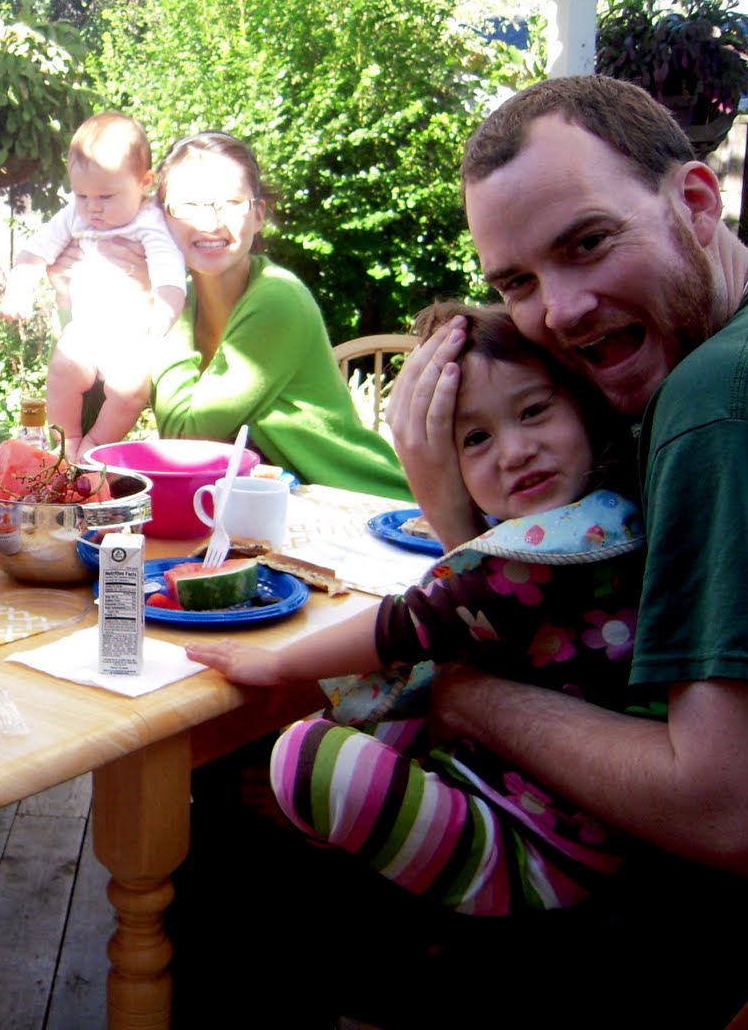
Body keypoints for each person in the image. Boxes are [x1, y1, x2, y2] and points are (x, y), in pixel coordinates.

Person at [380, 74, 748, 1024]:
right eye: (516, 283)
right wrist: (459, 522)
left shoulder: (718, 409)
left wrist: (465, 694)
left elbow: (740, 815)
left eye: (588, 242)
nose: (558, 313)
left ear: (696, 201)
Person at [188, 300, 643, 916]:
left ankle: (328, 829)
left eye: (534, 411)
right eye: (476, 438)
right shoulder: (609, 512)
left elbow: (407, 622)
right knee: (385, 698)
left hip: (531, 849)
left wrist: (276, 664)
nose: (515, 451)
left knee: (303, 756)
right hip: (548, 806)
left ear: (585, 404)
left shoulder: (540, 556)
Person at [146, 131, 410, 497]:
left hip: (365, 505)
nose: (209, 221)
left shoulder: (277, 298)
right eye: (187, 205)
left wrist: (167, 310)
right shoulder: (186, 300)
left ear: (258, 215)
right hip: (283, 507)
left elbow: (184, 442)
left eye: (231, 202)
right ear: (160, 219)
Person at [0, 111, 187, 458]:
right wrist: (19, 287)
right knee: (61, 374)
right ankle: (66, 443)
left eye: (106, 197)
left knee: (131, 390)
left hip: (130, 335)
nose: (92, 208)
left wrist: (162, 316)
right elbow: (36, 251)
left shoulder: (150, 224)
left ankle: (95, 445)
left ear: (144, 183)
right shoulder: (74, 214)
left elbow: (170, 278)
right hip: (86, 329)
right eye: (82, 196)